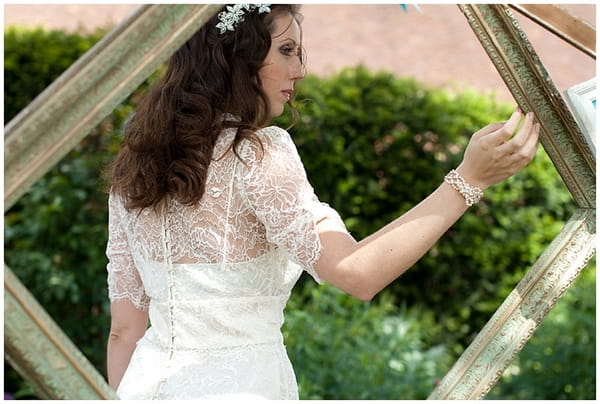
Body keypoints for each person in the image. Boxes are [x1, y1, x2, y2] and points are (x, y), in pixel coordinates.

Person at [105, 4, 540, 400]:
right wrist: (469, 179)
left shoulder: (134, 168)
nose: (299, 70)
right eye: (287, 50)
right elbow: (356, 274)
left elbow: (124, 331)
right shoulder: (257, 153)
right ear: (237, 56)